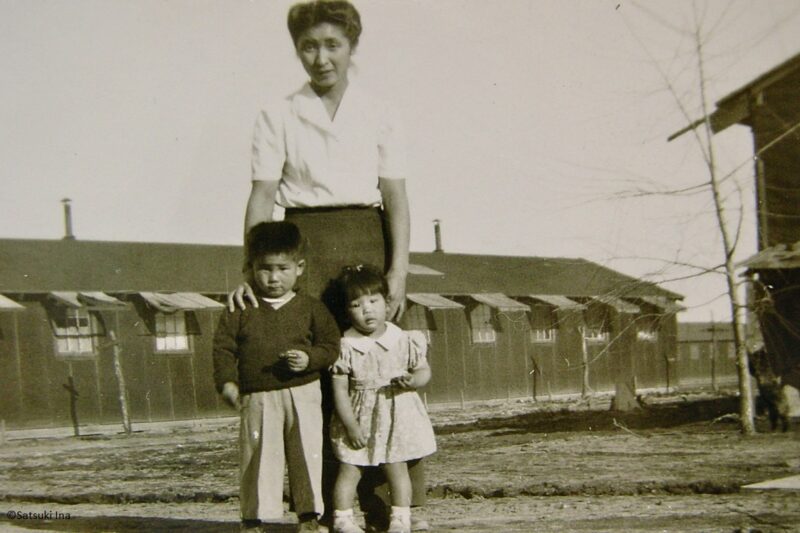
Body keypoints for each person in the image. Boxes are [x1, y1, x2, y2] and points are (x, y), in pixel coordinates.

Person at [229, 1, 430, 530]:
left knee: (378, 371)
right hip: (304, 247)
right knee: (313, 376)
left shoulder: (381, 110)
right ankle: (321, 507)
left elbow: (397, 199)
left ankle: (389, 503)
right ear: (297, 50)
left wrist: (399, 271)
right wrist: (248, 271)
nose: (321, 58)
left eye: (332, 45)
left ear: (352, 47)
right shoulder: (277, 113)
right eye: (308, 47)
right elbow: (261, 198)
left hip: (366, 243)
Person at [213, 221, 340, 533]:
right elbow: (223, 348)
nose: (273, 277)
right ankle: (254, 520)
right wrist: (227, 382)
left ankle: (310, 517)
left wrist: (310, 358)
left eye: (282, 268)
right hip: (257, 396)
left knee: (306, 455)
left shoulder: (311, 307)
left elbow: (331, 346)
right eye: (264, 269)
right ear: (251, 268)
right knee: (258, 458)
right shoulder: (240, 307)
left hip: (304, 392)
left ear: (299, 267)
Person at [329, 265, 436, 533]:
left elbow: (423, 370)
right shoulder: (345, 346)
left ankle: (400, 519)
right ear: (347, 311)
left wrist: (414, 381)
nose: (367, 310)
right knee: (350, 468)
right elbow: (339, 390)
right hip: (359, 417)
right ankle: (342, 520)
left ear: (387, 305)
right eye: (356, 304)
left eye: (373, 301)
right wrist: (350, 426)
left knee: (397, 467)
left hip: (397, 416)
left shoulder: (402, 339)